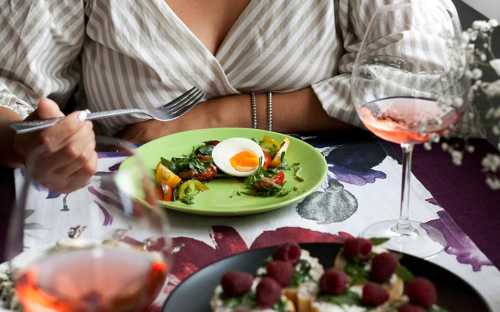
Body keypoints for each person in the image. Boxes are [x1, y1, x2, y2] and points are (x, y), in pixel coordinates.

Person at [0, 0, 458, 192]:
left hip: (333, 218)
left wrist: (223, 114)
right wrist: (30, 143)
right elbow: (8, 95)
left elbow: (421, 80)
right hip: (130, 219)